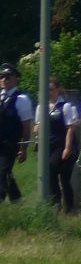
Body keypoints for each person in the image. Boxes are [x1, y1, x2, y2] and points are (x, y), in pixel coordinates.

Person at [46, 76, 81, 213]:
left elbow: (70, 128)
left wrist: (67, 148)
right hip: (50, 146)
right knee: (52, 174)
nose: (49, 92)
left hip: (63, 145)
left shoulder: (65, 106)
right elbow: (37, 126)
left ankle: (67, 207)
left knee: (62, 176)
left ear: (57, 89)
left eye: (51, 89)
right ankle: (58, 205)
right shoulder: (42, 107)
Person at [0, 63, 29, 202]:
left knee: (3, 171)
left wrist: (24, 148)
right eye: (2, 76)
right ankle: (17, 199)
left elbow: (26, 126)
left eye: (7, 77)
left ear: (15, 79)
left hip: (10, 143)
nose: (4, 80)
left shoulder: (21, 99)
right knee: (5, 172)